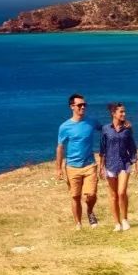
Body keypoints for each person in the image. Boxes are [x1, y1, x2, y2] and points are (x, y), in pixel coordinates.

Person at [55, 93, 102, 230]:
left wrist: (121, 123)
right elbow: (60, 147)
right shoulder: (65, 127)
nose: (83, 107)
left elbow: (105, 129)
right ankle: (78, 224)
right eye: (79, 105)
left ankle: (90, 211)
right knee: (75, 196)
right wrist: (58, 168)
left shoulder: (91, 121)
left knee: (91, 195)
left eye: (84, 105)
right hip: (72, 167)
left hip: (89, 165)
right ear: (72, 107)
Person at [99, 102, 138, 232]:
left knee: (121, 192)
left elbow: (132, 147)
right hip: (110, 164)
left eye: (124, 111)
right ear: (113, 113)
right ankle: (116, 223)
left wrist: (135, 162)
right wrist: (101, 167)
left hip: (124, 163)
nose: (124, 114)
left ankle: (125, 219)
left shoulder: (127, 129)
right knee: (113, 195)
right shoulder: (106, 129)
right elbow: (102, 148)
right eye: (121, 112)